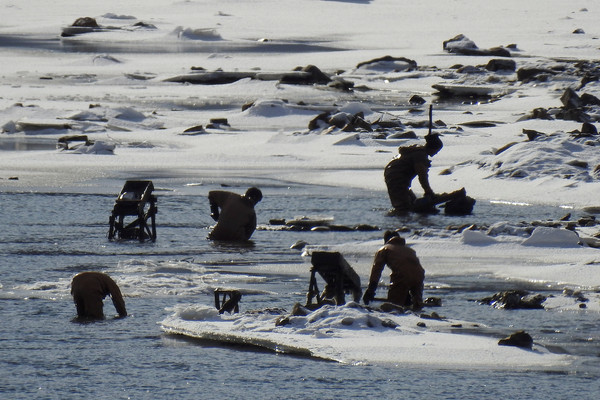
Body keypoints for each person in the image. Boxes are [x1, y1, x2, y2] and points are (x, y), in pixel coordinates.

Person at [363, 232, 425, 309]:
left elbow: (376, 270)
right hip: (419, 276)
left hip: (402, 276)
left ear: (385, 240)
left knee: (393, 307)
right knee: (417, 306)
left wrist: (370, 290)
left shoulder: (385, 249)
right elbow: (412, 269)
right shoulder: (410, 250)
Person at [384, 132, 443, 212]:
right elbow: (422, 176)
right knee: (403, 206)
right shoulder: (420, 155)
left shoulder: (419, 152)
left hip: (393, 174)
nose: (436, 153)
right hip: (396, 177)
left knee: (412, 202)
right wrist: (428, 191)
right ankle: (401, 219)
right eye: (437, 150)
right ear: (432, 148)